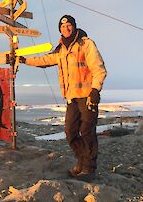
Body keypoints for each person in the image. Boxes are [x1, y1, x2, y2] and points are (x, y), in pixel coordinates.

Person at [19, 15, 107, 180]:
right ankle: (81, 162)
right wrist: (24, 60)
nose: (66, 28)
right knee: (70, 132)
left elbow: (99, 68)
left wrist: (95, 91)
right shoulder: (61, 49)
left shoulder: (86, 44)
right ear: (59, 29)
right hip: (71, 98)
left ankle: (89, 169)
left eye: (69, 25)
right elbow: (44, 59)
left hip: (88, 97)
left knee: (87, 132)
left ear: (74, 26)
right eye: (63, 26)